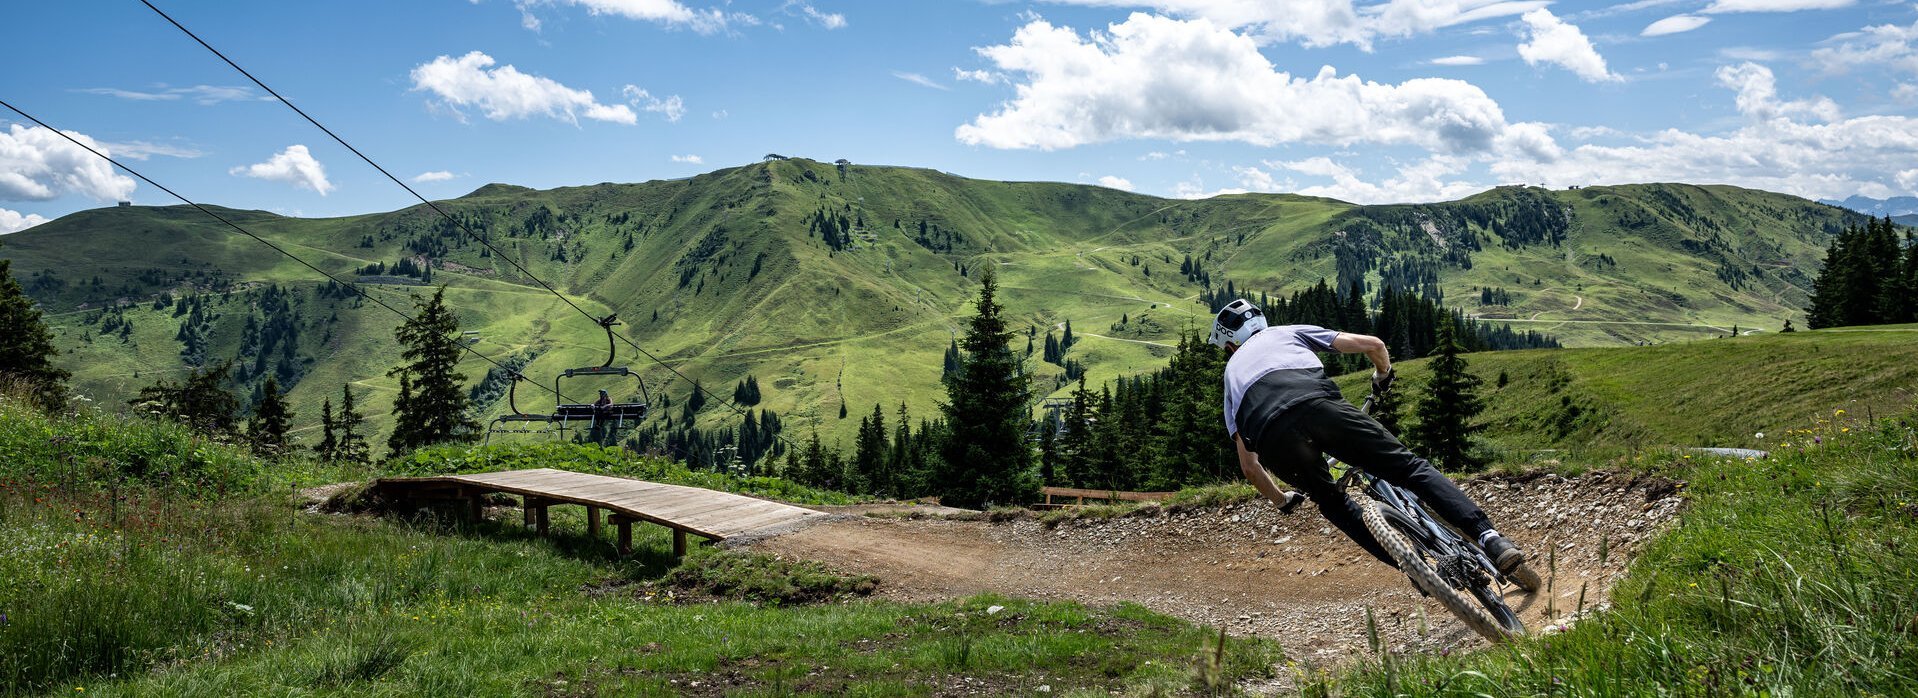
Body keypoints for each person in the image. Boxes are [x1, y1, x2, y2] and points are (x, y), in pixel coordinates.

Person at [1209, 298, 1528, 577]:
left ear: (1229, 346)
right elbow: (1374, 345)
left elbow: (1250, 469)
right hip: (1320, 408)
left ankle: (1420, 573)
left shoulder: (1230, 376)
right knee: (1409, 469)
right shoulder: (1287, 332)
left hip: (1274, 441)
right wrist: (1382, 375)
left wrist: (1282, 500)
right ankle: (1490, 539)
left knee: (1333, 503)